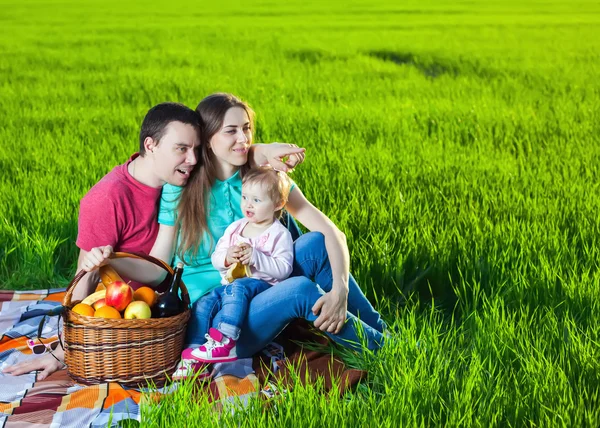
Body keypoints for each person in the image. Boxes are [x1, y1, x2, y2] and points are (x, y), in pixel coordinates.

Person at [82, 93, 386, 379]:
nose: (243, 139)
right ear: (208, 140)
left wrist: (340, 293)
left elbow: (332, 233)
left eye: (247, 128)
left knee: (317, 243)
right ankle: (389, 352)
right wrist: (113, 261)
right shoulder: (181, 188)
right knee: (299, 290)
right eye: (231, 131)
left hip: (263, 283)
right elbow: (158, 266)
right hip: (223, 316)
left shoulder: (263, 180)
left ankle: (384, 334)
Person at [1, 101, 306, 381]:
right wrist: (63, 350)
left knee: (296, 236)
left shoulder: (180, 178)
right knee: (296, 283)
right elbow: (85, 276)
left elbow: (229, 148)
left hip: (181, 298)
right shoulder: (106, 200)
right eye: (181, 149)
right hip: (142, 316)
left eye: (196, 149)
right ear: (151, 145)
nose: (193, 159)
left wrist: (263, 150)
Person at [188, 166, 295, 363]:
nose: (248, 205)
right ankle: (194, 352)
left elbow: (284, 270)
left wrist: (256, 258)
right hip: (230, 287)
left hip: (263, 288)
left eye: (257, 200)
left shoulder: (279, 234)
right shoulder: (236, 228)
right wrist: (227, 257)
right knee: (204, 302)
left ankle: (226, 338)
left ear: (278, 204)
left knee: (238, 286)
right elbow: (216, 257)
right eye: (245, 197)